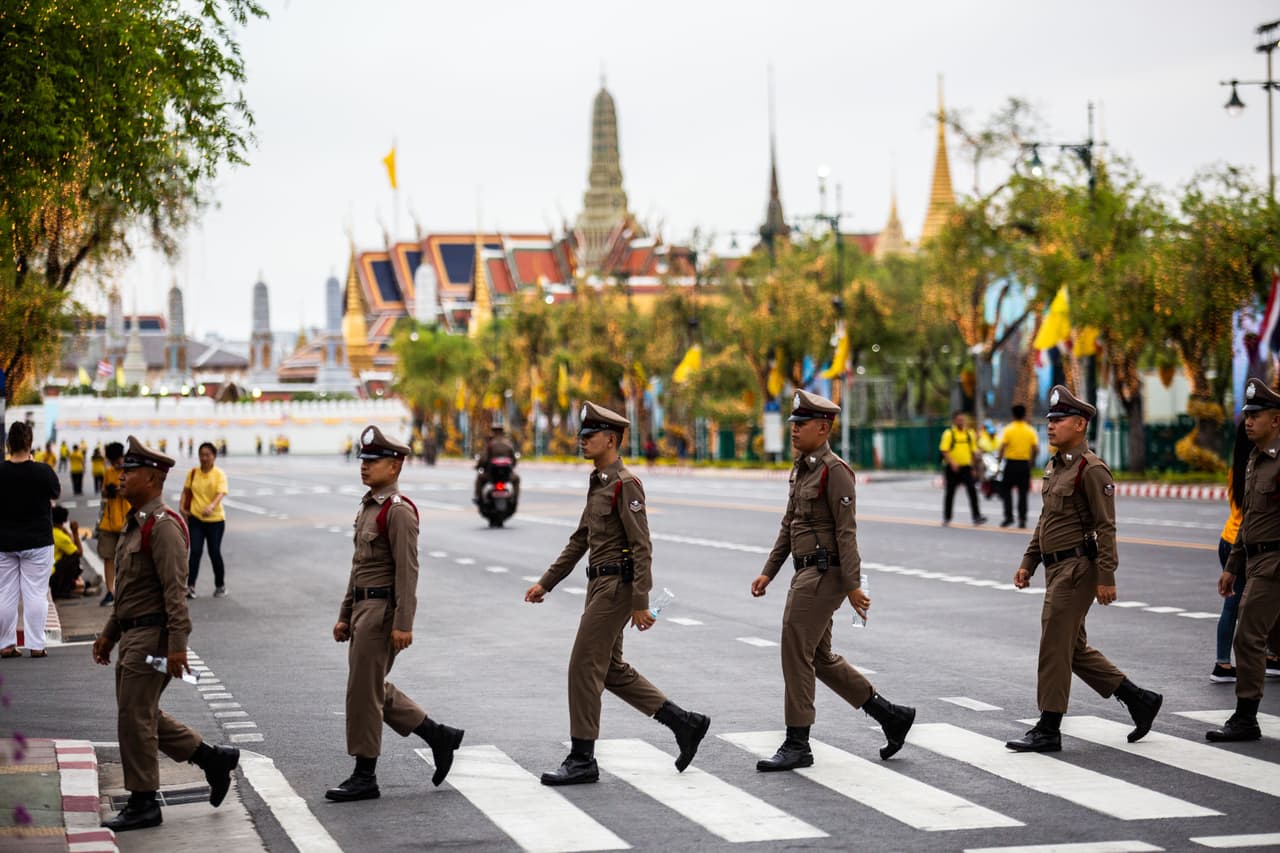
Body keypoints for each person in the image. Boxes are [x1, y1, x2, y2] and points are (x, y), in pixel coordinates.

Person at [525, 402, 710, 786]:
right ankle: (684, 723)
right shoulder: (599, 482)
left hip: (617, 588)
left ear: (610, 439)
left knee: (582, 666)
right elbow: (580, 540)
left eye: (589, 435)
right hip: (599, 585)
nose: (582, 441)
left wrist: (641, 601)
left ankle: (582, 758)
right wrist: (547, 582)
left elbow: (642, 546)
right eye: (582, 435)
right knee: (609, 669)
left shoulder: (626, 484)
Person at [751, 390, 915, 770]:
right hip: (805, 570)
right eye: (793, 424)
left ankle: (797, 743)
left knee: (795, 649)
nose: (794, 430)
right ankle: (891, 716)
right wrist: (768, 571)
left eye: (802, 424)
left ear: (823, 428)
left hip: (824, 574)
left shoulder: (835, 471)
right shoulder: (801, 469)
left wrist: (853, 585)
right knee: (820, 658)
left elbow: (846, 532)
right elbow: (789, 525)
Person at [91, 437, 239, 831]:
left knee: (135, 716)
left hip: (152, 638)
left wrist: (177, 648)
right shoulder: (135, 523)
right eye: (123, 469)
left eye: (131, 471)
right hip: (132, 635)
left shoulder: (164, 527)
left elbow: (176, 593)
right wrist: (109, 633)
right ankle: (212, 759)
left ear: (153, 479)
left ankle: (144, 802)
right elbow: (129, 591)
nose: (122, 476)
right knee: (142, 713)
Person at [1007, 385, 1163, 753]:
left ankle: (1048, 727)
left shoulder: (1091, 470)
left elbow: (1107, 527)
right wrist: (1029, 561)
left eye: (1059, 420)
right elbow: (1046, 519)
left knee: (1053, 645)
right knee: (1072, 649)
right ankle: (1140, 700)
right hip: (1056, 568)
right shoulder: (1055, 466)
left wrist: (1106, 576)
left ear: (1080, 425)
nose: (1051, 426)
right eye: (1050, 420)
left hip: (1078, 568)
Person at [326, 425, 465, 802]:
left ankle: (365, 775)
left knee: (362, 692)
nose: (365, 466)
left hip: (382, 612)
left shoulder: (398, 511)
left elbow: (408, 570)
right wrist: (344, 614)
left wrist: (404, 622)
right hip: (362, 609)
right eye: (363, 460)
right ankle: (438, 736)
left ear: (395, 466)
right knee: (368, 687)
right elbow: (358, 567)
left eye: (374, 461)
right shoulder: (368, 507)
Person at [1208, 378, 1280, 741]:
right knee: (1257, 637)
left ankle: (1246, 718)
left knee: (1249, 637)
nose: (1248, 421)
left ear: (1276, 420)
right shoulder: (1255, 460)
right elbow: (1249, 519)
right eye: (1247, 415)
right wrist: (1232, 567)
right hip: (1256, 560)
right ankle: (1246, 717)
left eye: (1256, 415)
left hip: (1275, 563)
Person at [0, 422, 62, 658]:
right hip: (38, 540)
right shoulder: (42, 471)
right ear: (30, 443)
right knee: (35, 593)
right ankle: (36, 645)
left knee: (5, 593)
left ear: (8, 444)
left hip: (4, 541)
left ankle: (6, 644)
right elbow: (56, 492)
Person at [1211, 421, 1249, 683]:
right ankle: (1267, 656)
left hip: (1227, 538)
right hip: (1243, 543)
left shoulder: (1236, 468)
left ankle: (1223, 662)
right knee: (1252, 603)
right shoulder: (1258, 468)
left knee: (1232, 604)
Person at [182, 442, 228, 598]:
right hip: (196, 519)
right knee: (195, 551)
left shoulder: (219, 474)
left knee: (214, 552)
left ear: (214, 456)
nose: (204, 458)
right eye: (201, 454)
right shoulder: (193, 473)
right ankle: (190, 586)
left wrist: (211, 506)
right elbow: (186, 491)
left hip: (215, 520)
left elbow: (221, 493)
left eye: (208, 455)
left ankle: (220, 585)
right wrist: (182, 507)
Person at [939, 411, 986, 527]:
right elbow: (944, 450)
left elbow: (973, 452)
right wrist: (953, 463)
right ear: (954, 421)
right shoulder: (949, 434)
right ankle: (947, 517)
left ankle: (976, 516)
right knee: (950, 492)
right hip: (952, 468)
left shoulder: (969, 434)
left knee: (972, 490)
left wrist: (974, 468)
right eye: (959, 420)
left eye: (963, 420)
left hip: (966, 467)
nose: (962, 422)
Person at [97, 442, 130, 607]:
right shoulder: (109, 472)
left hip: (127, 522)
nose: (117, 463)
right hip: (109, 522)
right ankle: (110, 591)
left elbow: (135, 491)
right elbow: (103, 493)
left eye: (119, 460)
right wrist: (108, 490)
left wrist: (120, 489)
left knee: (127, 559)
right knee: (108, 557)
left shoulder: (130, 472)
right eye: (113, 461)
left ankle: (125, 591)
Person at [998, 404, 1040, 529]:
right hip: (1024, 465)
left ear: (1013, 415)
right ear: (1024, 414)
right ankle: (1022, 519)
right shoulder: (1030, 430)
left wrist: (999, 461)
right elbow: (1036, 449)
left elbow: (1002, 447)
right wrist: (1032, 461)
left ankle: (1008, 517)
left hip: (1010, 464)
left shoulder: (1008, 429)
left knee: (1006, 490)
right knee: (1023, 493)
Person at [473, 422, 520, 505]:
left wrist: (478, 466)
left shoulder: (490, 444)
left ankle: (478, 497)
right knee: (516, 479)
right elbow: (513, 460)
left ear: (493, 432)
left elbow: (484, 459)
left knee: (480, 479)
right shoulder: (508, 444)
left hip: (492, 475)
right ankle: (515, 499)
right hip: (506, 476)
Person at [50, 505, 85, 599]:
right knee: (74, 558)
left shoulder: (51, 531)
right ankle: (63, 590)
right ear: (65, 521)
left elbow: (70, 544)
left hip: (45, 573)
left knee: (69, 556)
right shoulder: (60, 536)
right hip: (52, 576)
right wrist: (75, 532)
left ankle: (70, 586)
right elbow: (79, 552)